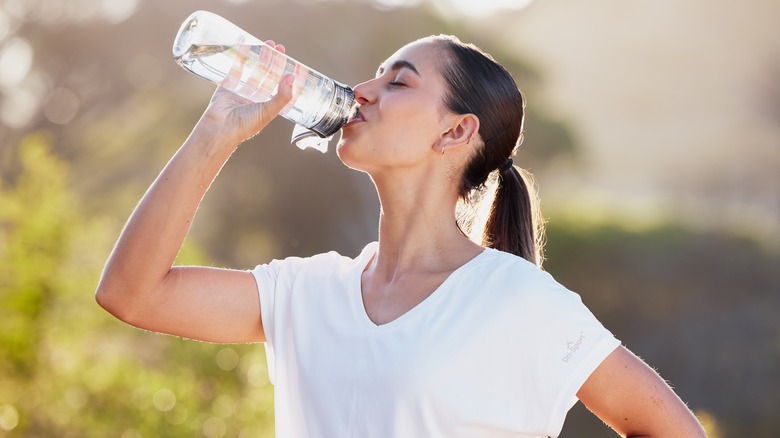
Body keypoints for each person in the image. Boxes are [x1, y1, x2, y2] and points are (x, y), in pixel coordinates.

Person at [96, 34, 706, 437]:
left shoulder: (516, 300)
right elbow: (132, 294)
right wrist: (216, 131)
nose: (362, 91)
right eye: (376, 76)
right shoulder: (307, 291)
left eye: (399, 83)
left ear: (455, 132)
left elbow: (672, 431)